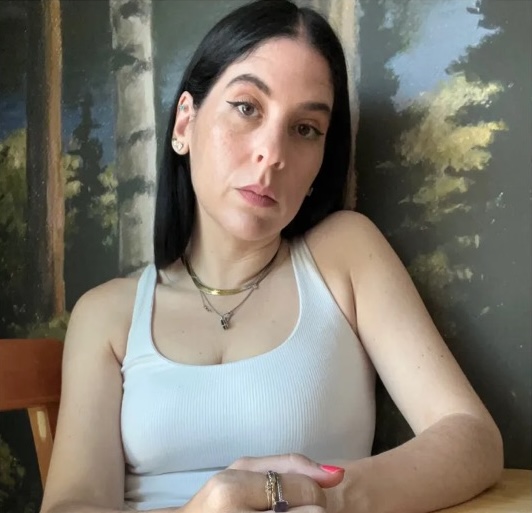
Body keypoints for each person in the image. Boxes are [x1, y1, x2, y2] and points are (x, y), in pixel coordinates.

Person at [40, 1, 503, 512]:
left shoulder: (344, 256)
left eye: (305, 129)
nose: (273, 153)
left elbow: (472, 438)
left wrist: (310, 495)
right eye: (247, 107)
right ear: (184, 124)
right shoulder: (107, 314)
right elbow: (71, 506)